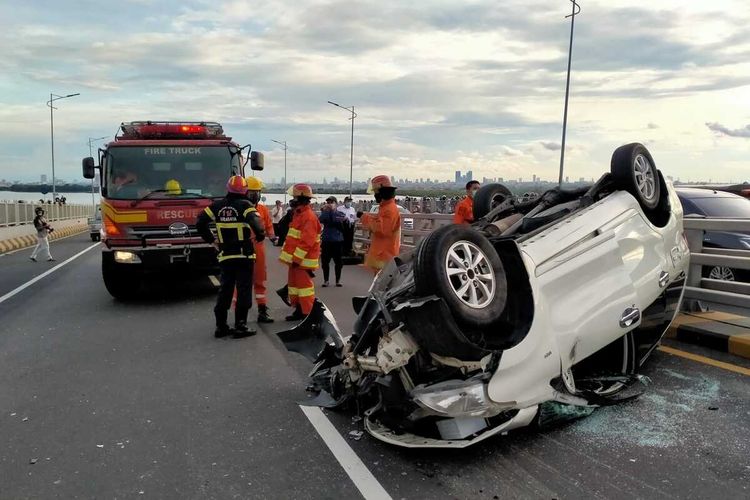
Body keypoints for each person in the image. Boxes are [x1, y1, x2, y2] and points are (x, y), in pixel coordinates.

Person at [197, 176, 265, 339]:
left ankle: (221, 327)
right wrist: (260, 235)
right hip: (244, 255)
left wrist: (212, 240)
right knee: (243, 290)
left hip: (225, 254)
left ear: (228, 188)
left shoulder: (217, 206)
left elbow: (200, 222)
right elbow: (258, 226)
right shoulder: (246, 206)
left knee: (225, 290)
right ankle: (240, 326)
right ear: (245, 190)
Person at [279, 184, 322, 321]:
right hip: (296, 261)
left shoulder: (308, 216)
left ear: (301, 198)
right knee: (294, 287)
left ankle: (307, 315)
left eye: (295, 197)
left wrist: (296, 259)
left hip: (301, 261)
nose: (292, 199)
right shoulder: (299, 214)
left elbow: (306, 242)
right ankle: (299, 310)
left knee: (304, 289)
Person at [245, 176, 276, 323]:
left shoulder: (262, 209)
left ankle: (262, 310)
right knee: (242, 281)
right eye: (252, 193)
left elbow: (269, 226)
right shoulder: (240, 208)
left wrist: (273, 237)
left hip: (258, 248)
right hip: (243, 247)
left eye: (256, 193)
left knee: (260, 280)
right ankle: (241, 313)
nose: (255, 196)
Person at [358, 175, 401, 273]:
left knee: (383, 285)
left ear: (382, 191)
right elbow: (379, 222)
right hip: (382, 254)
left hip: (385, 255)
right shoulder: (385, 207)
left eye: (376, 192)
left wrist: (364, 217)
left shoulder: (389, 209)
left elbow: (380, 229)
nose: (375, 195)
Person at [319, 196, 346, 287]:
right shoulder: (324, 213)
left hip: (337, 240)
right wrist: (326, 211)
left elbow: (338, 219)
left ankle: (337, 280)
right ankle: (326, 280)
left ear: (336, 203)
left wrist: (333, 211)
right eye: (328, 202)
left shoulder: (340, 213)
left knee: (338, 261)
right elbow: (321, 219)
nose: (329, 204)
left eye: (331, 202)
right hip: (327, 239)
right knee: (325, 261)